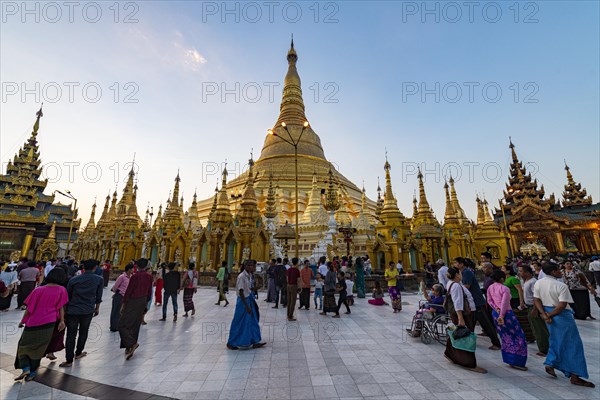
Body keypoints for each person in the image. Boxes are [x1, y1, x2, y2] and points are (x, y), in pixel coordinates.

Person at [533, 262, 595, 388]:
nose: (560, 271)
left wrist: (544, 314)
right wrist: (549, 315)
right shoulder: (561, 285)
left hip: (547, 312)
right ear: (553, 272)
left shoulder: (539, 283)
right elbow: (561, 305)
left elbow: (536, 299)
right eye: (558, 270)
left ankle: (550, 361)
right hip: (561, 316)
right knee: (573, 344)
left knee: (556, 339)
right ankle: (575, 375)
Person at [14, 268, 68, 382]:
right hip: (49, 323)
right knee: (39, 348)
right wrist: (62, 321)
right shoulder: (62, 290)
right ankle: (32, 372)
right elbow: (61, 308)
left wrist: (22, 321)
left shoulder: (38, 290)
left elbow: (29, 309)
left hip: (33, 322)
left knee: (23, 345)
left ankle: (26, 367)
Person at [59, 259, 103, 368]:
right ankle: (78, 352)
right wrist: (97, 309)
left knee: (71, 334)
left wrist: (64, 312)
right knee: (84, 331)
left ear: (83, 267)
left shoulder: (74, 279)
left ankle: (69, 360)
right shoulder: (99, 279)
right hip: (88, 310)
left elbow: (67, 297)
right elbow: (98, 296)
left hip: (73, 310)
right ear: (94, 268)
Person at [443, 266, 486, 373]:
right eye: (460, 273)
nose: (461, 274)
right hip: (463, 314)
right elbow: (458, 302)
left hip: (460, 314)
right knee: (466, 337)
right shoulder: (456, 286)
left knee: (457, 334)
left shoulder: (451, 284)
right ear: (457, 274)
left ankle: (450, 354)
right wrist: (461, 318)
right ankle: (469, 362)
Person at [455, 257, 501, 350]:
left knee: (485, 323)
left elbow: (466, 286)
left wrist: (456, 287)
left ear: (461, 264)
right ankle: (468, 341)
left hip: (476, 302)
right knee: (470, 323)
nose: (455, 264)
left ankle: (496, 343)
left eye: (456, 263)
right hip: (471, 303)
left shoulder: (466, 272)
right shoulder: (462, 273)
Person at [487, 269, 528, 370]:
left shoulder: (490, 287)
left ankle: (509, 358)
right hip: (506, 314)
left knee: (506, 337)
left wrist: (496, 309)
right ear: (502, 278)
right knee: (518, 337)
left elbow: (489, 300)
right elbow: (504, 303)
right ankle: (517, 361)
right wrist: (501, 314)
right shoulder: (504, 288)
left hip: (495, 313)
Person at [227, 260, 265, 350]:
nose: (253, 268)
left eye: (254, 266)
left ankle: (254, 340)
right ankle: (232, 342)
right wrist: (246, 306)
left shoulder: (250, 276)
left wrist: (256, 287)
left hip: (250, 299)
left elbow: (248, 288)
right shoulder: (241, 276)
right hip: (243, 302)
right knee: (239, 322)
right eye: (251, 266)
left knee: (253, 321)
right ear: (246, 266)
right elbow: (240, 292)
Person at [119, 258, 152, 360]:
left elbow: (129, 290)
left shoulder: (135, 276)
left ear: (136, 266)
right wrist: (146, 303)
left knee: (122, 324)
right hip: (142, 301)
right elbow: (149, 291)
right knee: (135, 324)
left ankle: (132, 343)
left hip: (133, 300)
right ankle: (129, 347)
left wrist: (123, 303)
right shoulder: (149, 276)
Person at [519, 264, 549, 357]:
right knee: (535, 328)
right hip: (529, 306)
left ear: (527, 272)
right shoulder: (526, 281)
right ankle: (542, 346)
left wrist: (535, 308)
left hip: (534, 306)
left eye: (521, 271)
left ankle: (544, 348)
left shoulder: (533, 282)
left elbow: (536, 296)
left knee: (539, 328)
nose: (519, 273)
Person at [502, 264, 535, 343]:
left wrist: (521, 302)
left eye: (503, 269)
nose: (502, 270)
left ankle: (529, 337)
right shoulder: (504, 279)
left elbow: (520, 290)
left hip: (516, 299)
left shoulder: (513, 279)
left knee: (523, 319)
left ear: (508, 270)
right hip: (510, 300)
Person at [110, 263, 133, 332]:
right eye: (132, 269)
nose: (133, 270)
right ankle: (113, 326)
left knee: (123, 312)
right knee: (116, 311)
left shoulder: (132, 277)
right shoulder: (122, 277)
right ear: (129, 269)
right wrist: (115, 293)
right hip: (119, 295)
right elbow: (116, 286)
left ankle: (120, 325)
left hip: (127, 296)